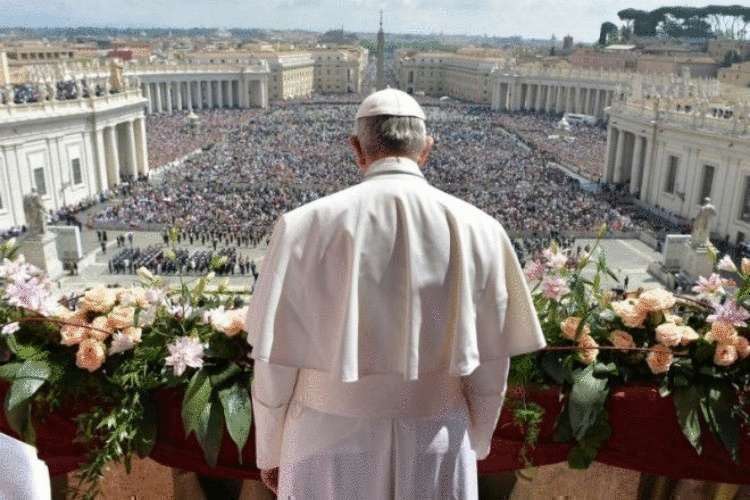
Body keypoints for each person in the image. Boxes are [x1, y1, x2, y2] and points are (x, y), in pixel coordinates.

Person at [246, 89, 546, 499]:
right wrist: (474, 440)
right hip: (436, 436)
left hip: (323, 439)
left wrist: (270, 450)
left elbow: (274, 363)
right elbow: (491, 366)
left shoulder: (302, 225)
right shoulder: (483, 229)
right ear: (427, 149)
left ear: (356, 148)